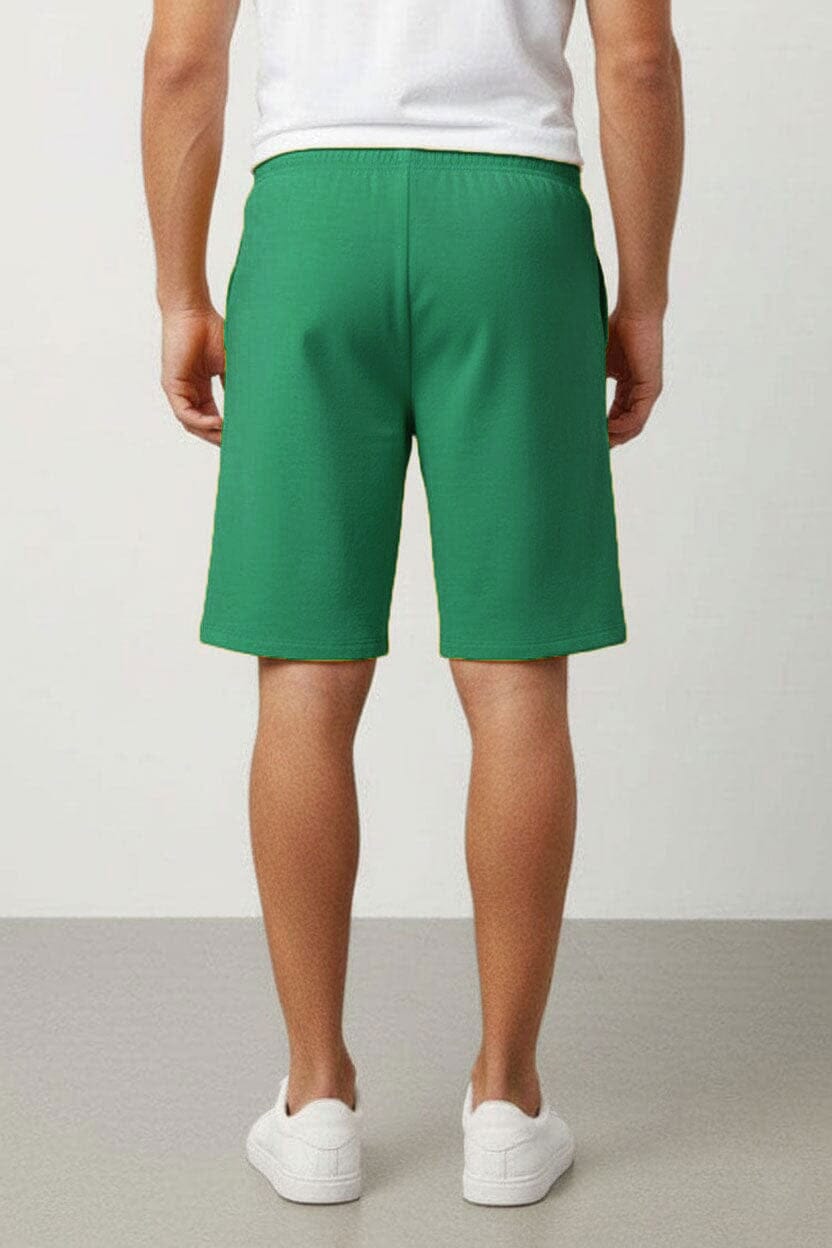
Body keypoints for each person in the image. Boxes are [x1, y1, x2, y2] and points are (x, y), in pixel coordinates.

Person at [142, 0, 683, 1208]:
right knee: (516, 672)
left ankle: (315, 1100)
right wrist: (642, 299)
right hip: (514, 226)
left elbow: (182, 59)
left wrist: (179, 292)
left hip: (311, 220)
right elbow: (639, 59)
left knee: (304, 670)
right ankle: (507, 1103)